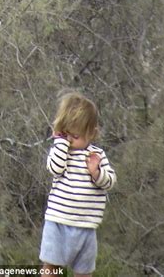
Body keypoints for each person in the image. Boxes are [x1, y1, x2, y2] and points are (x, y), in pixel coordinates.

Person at [39, 91, 117, 277]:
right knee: (51, 269)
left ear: (92, 133)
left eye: (75, 136)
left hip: (86, 225)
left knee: (84, 272)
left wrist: (96, 172)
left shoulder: (96, 155)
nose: (70, 140)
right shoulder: (60, 151)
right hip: (57, 221)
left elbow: (110, 182)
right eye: (66, 134)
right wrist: (60, 144)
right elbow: (55, 169)